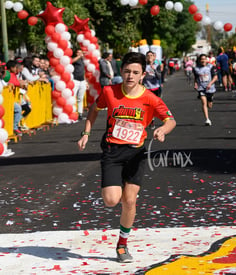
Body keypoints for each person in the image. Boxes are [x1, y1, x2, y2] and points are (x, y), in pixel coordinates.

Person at [77, 52, 176, 263]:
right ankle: (116, 185)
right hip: (113, 152)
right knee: (112, 200)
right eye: (127, 71)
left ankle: (122, 246)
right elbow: (95, 108)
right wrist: (86, 132)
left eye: (135, 72)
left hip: (136, 153)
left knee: (129, 200)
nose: (130, 76)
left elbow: (170, 120)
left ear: (143, 74)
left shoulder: (150, 98)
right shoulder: (109, 91)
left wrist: (162, 131)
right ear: (121, 72)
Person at [193, 53, 218, 126]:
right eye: (201, 59)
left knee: (209, 105)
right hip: (201, 88)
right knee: (204, 103)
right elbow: (196, 77)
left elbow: (215, 77)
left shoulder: (211, 67)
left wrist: (210, 83)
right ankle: (207, 119)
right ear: (200, 60)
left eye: (204, 59)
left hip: (210, 88)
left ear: (206, 60)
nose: (203, 61)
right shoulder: (196, 68)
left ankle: (210, 99)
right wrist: (195, 84)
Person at [72, 49, 88, 119]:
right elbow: (71, 61)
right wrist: (79, 56)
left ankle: (80, 113)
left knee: (80, 98)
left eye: (81, 53)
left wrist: (85, 81)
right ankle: (73, 112)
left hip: (82, 80)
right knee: (73, 97)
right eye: (78, 52)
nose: (80, 54)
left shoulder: (82, 61)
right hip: (75, 80)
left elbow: (83, 71)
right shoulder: (75, 59)